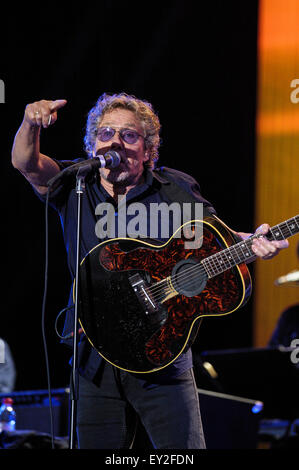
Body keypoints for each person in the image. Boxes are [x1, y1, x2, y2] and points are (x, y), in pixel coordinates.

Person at [11, 93, 289, 449]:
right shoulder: (77, 186)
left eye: (128, 136)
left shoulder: (174, 190)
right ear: (93, 143)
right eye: (106, 132)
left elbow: (219, 239)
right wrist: (31, 123)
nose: (115, 141)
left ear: (147, 148)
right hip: (94, 357)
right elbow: (27, 164)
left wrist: (256, 243)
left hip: (164, 356)